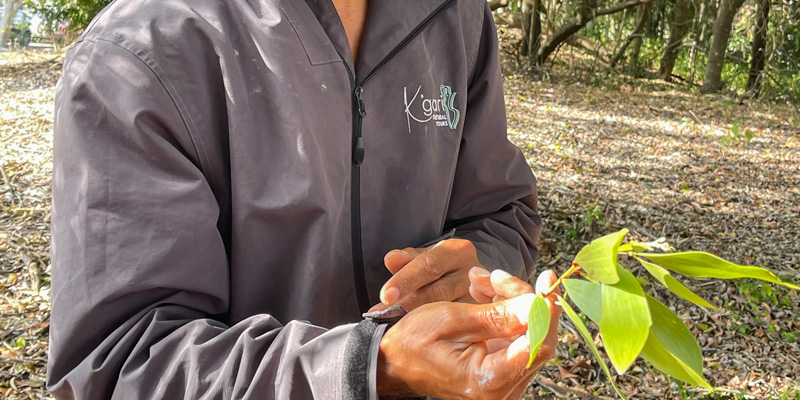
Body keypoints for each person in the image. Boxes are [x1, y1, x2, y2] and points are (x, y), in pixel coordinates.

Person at [47, 0, 561, 398]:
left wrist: (474, 274)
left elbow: (502, 210)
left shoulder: (453, 16)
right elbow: (120, 360)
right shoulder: (142, 52)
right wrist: (367, 369)